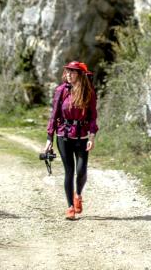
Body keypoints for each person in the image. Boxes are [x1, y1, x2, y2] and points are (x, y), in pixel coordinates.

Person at [44, 60, 98, 220]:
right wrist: (49, 138)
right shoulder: (60, 91)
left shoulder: (89, 92)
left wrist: (92, 136)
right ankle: (70, 208)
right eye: (67, 71)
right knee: (69, 171)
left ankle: (78, 195)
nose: (68, 74)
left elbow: (93, 117)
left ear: (80, 74)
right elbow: (54, 116)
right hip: (64, 136)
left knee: (81, 171)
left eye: (72, 72)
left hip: (82, 136)